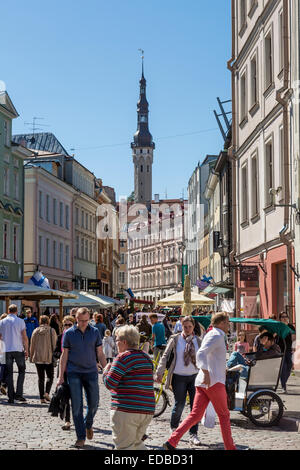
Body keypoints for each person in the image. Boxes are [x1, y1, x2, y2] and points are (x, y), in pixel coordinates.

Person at [163, 312, 236, 451]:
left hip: (204, 381)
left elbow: (209, 355)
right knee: (224, 415)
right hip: (213, 382)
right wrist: (207, 372)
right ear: (221, 323)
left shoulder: (212, 333)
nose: (229, 325)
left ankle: (172, 441)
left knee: (195, 415)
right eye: (227, 322)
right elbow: (201, 353)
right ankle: (231, 448)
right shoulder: (217, 335)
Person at [57, 307, 107, 448]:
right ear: (76, 318)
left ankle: (88, 424)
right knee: (77, 407)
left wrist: (107, 368)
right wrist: (61, 376)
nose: (84, 323)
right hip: (74, 373)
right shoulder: (69, 333)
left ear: (90, 318)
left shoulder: (95, 332)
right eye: (80, 320)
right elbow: (64, 355)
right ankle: (80, 437)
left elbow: (100, 353)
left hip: (91, 372)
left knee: (94, 403)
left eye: (86, 320)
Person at [103, 325, 155, 450]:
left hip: (127, 409)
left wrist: (105, 372)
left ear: (124, 342)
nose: (116, 343)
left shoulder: (122, 357)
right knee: (137, 445)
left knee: (124, 447)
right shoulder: (146, 357)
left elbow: (110, 383)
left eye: (117, 340)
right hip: (147, 410)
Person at [156, 316, 202, 446]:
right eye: (185, 326)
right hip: (178, 376)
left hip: (195, 377)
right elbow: (165, 355)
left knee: (195, 407)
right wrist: (159, 372)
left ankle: (193, 434)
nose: (187, 329)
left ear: (193, 327)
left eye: (189, 327)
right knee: (180, 403)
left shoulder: (198, 340)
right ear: (181, 326)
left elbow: (204, 358)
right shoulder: (175, 339)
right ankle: (174, 428)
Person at [0, 304, 29, 404]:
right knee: (21, 370)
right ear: (16, 311)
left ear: (8, 311)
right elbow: (24, 337)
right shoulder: (20, 321)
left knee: (9, 373)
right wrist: (27, 350)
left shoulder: (2, 322)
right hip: (18, 349)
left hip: (6, 349)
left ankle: (11, 397)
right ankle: (19, 394)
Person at [53, 315, 75, 430]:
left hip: (75, 371)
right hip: (63, 371)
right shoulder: (60, 337)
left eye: (69, 325)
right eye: (65, 325)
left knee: (75, 397)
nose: (67, 327)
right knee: (65, 397)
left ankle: (79, 418)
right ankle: (67, 420)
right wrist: (61, 355)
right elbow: (55, 352)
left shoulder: (77, 337)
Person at [30, 315, 57, 404]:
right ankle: (46, 393)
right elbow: (54, 344)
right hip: (48, 357)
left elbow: (32, 344)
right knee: (50, 376)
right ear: (48, 321)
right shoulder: (51, 330)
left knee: (40, 378)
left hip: (38, 357)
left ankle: (41, 398)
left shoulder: (36, 331)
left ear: (40, 321)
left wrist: (31, 356)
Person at [276, 312, 296, 393]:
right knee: (283, 367)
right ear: (280, 318)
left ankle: (284, 381)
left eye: (286, 316)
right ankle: (284, 386)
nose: (285, 318)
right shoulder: (278, 326)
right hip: (280, 349)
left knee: (289, 365)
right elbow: (276, 336)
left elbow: (293, 337)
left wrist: (294, 346)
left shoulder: (291, 326)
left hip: (288, 349)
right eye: (283, 317)